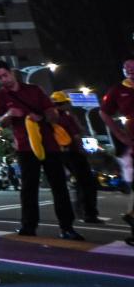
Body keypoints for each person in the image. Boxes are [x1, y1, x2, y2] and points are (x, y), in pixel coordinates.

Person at [0, 60, 81, 241]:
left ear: (12, 72)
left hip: (49, 144)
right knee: (28, 188)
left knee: (59, 186)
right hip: (25, 146)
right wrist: (9, 115)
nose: (4, 79)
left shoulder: (34, 90)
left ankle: (67, 227)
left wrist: (40, 117)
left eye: (5, 75)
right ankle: (28, 226)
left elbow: (52, 114)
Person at [45, 92, 98, 226]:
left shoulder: (50, 118)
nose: (69, 104)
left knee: (72, 184)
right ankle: (89, 213)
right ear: (62, 104)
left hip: (58, 153)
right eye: (67, 102)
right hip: (73, 153)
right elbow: (76, 136)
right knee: (87, 182)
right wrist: (82, 150)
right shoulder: (66, 117)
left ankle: (79, 212)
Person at [104, 59, 134, 246]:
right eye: (127, 68)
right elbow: (104, 112)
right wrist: (118, 133)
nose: (131, 71)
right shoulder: (117, 90)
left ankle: (131, 216)